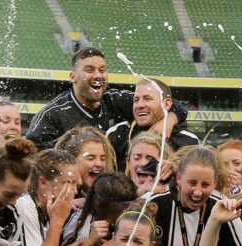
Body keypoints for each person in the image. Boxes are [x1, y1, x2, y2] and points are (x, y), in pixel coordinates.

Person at [25, 47, 185, 149]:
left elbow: (173, 104)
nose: (97, 76)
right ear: (73, 77)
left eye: (102, 70)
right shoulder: (54, 114)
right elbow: (32, 150)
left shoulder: (116, 101)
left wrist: (168, 120)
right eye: (89, 70)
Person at [105, 78, 198, 172]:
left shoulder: (188, 141)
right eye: (136, 100)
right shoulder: (117, 134)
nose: (140, 105)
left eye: (147, 99)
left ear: (166, 104)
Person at [55, 126, 116, 196]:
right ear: (71, 161)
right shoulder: (54, 198)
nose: (99, 164)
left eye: (103, 159)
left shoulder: (114, 196)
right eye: (91, 158)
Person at [125, 133, 174, 198]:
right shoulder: (116, 192)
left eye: (150, 159)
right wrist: (137, 197)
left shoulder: (172, 193)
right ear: (128, 163)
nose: (143, 163)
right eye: (137, 157)